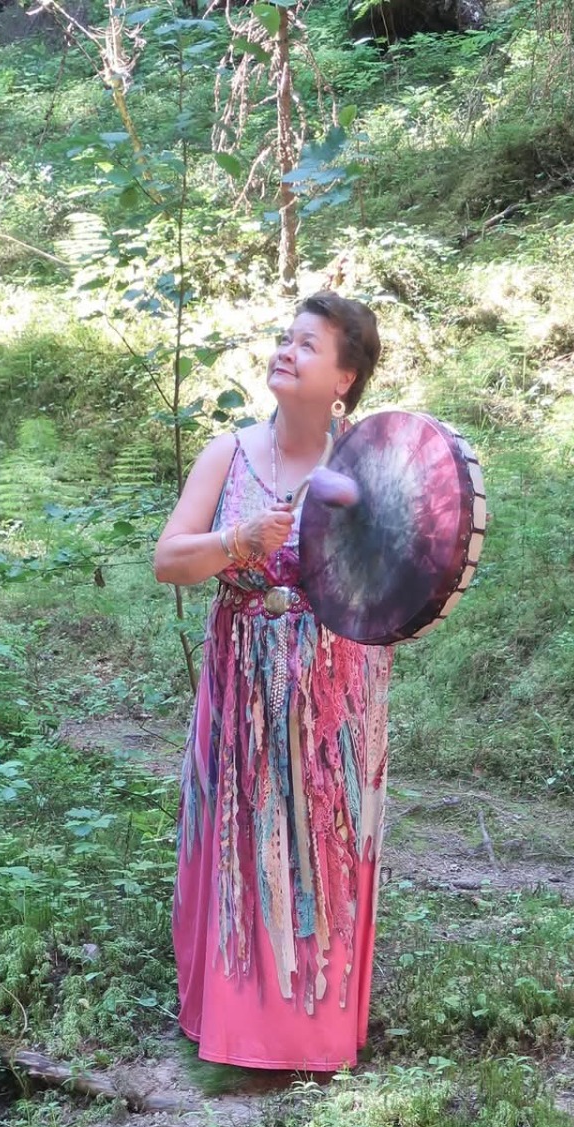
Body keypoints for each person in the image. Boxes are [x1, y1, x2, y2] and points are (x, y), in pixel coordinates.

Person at [154, 291, 388, 1071]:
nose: (286, 351)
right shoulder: (227, 455)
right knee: (238, 832)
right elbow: (168, 561)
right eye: (285, 339)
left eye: (308, 345)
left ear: (344, 378)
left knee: (317, 842)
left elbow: (398, 580)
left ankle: (309, 1033)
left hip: (330, 688)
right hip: (240, 679)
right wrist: (237, 540)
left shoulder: (364, 467)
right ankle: (235, 1023)